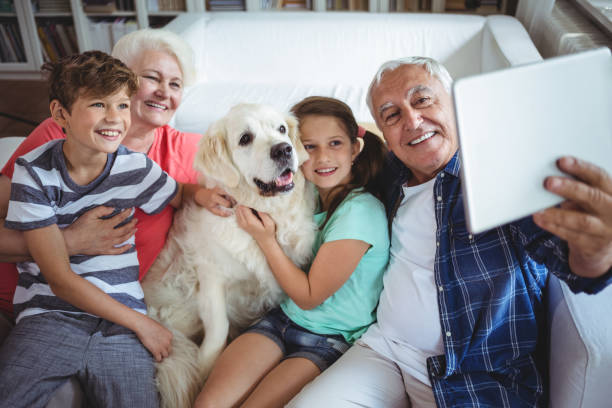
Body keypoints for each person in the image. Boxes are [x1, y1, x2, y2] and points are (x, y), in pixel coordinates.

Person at [288, 57, 612, 407]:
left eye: (423, 100)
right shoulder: (388, 172)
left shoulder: (501, 177)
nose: (412, 120)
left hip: (475, 378)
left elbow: (571, 258)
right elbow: (314, 154)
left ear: (456, 105)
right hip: (382, 351)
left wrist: (598, 252)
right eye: (392, 114)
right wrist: (224, 190)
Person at [0, 28, 231, 331]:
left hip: (111, 320)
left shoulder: (186, 150)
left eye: (175, 84)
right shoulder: (60, 134)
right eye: (152, 78)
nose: (165, 91)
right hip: (19, 307)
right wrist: (69, 243)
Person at [0, 51, 181, 407]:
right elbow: (60, 279)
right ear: (60, 114)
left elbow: (181, 194)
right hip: (50, 317)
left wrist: (208, 195)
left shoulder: (135, 168)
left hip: (120, 331)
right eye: (99, 104)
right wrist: (144, 325)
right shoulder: (34, 172)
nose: (114, 118)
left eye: (122, 105)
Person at [193, 96, 390, 408]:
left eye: (335, 144)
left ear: (355, 149)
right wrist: (200, 192)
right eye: (309, 146)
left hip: (327, 338)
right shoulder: (309, 196)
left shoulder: (361, 212)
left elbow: (309, 296)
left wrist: (265, 240)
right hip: (280, 319)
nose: (322, 156)